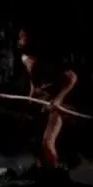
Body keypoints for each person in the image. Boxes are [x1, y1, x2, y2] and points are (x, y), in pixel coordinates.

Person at [17, 29, 79, 168]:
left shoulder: (45, 60)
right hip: (42, 105)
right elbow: (34, 80)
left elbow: (72, 77)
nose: (19, 40)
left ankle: (55, 173)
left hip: (57, 107)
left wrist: (58, 99)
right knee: (36, 144)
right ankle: (43, 172)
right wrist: (31, 95)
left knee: (47, 143)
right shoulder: (25, 58)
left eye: (23, 37)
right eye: (20, 37)